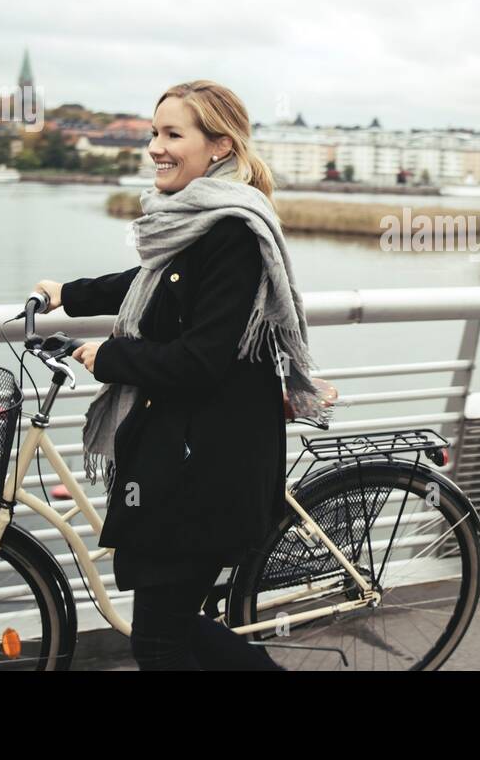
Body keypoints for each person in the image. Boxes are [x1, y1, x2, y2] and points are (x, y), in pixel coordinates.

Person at [34, 80, 330, 670]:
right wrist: (68, 293)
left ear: (218, 146)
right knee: (175, 627)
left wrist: (108, 358)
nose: (155, 147)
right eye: (153, 132)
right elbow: (149, 284)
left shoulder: (234, 231)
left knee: (161, 639)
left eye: (173, 134)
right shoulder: (193, 222)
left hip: (213, 462)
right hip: (186, 451)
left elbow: (201, 359)